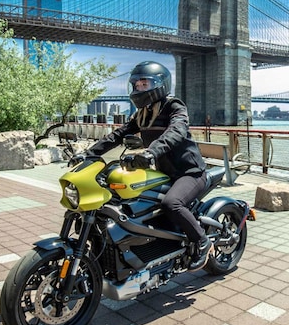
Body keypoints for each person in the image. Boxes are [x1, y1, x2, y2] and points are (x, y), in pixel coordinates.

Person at [85, 61, 212, 271]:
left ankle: (203, 241)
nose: (138, 89)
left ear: (160, 84)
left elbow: (177, 131)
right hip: (162, 172)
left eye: (144, 84)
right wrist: (90, 153)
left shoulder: (174, 106)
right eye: (135, 85)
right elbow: (118, 134)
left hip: (189, 172)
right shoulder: (142, 113)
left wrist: (151, 152)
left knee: (172, 204)